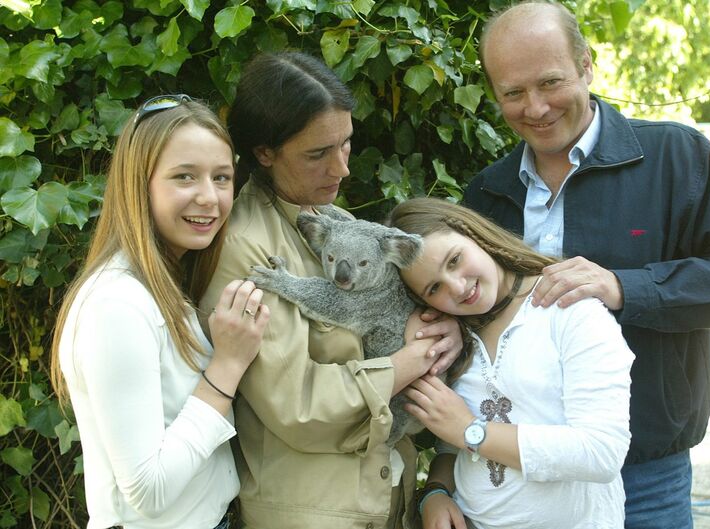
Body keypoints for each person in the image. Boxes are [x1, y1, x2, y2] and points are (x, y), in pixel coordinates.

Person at [462, 2, 710, 528]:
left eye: (550, 82)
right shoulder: (486, 193)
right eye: (513, 92)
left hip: (644, 474)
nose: (536, 107)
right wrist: (441, 479)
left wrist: (624, 286)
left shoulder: (676, 156)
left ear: (586, 65)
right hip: (516, 472)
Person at [198, 51, 463, 529]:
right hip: (314, 512)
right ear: (265, 153)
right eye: (318, 154)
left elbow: (405, 301)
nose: (342, 168)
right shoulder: (244, 248)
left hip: (386, 496)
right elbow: (297, 407)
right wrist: (412, 361)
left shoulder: (333, 219)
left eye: (346, 144)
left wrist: (442, 330)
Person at [50, 95, 270, 529]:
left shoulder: (163, 286)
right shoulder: (116, 305)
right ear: (139, 185)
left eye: (221, 177)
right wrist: (226, 366)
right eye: (184, 176)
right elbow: (147, 490)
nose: (209, 197)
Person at [385, 197, 634, 529]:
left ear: (472, 232)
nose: (457, 287)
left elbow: (600, 452)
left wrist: (470, 431)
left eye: (455, 259)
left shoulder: (570, 310)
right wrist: (437, 490)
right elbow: (451, 438)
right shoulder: (453, 336)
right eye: (434, 288)